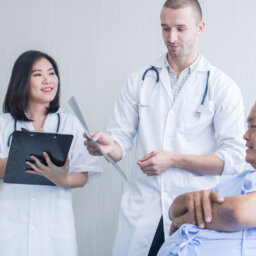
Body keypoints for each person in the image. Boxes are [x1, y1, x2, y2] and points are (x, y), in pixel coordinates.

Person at [85, 0, 245, 255]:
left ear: (200, 27)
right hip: (143, 210)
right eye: (165, 28)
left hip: (194, 213)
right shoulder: (140, 80)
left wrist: (173, 160)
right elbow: (120, 142)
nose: (171, 37)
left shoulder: (222, 87)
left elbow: (235, 159)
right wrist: (106, 146)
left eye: (181, 28)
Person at [0, 50, 101, 256]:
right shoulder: (4, 124)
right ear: (21, 81)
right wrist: (25, 156)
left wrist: (63, 180)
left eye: (52, 73)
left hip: (55, 232)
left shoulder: (69, 124)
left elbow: (84, 174)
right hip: (12, 229)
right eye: (37, 74)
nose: (48, 80)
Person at [157, 103, 256, 256]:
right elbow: (174, 209)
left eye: (254, 127)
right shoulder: (236, 180)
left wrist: (183, 219)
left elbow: (237, 212)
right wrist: (187, 203)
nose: (245, 135)